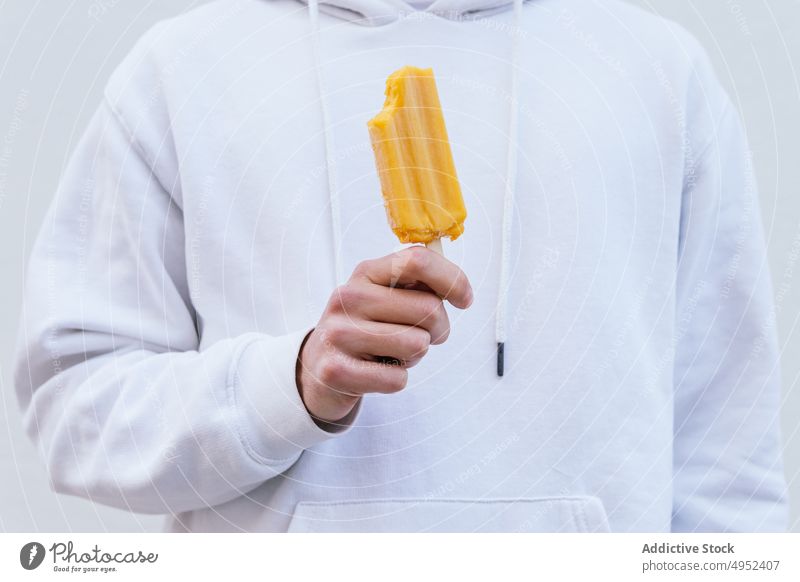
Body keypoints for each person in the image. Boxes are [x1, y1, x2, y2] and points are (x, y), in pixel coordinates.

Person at [14, 0, 787, 532]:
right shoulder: (179, 70)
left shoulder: (661, 72)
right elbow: (75, 408)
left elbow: (729, 463)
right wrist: (289, 383)